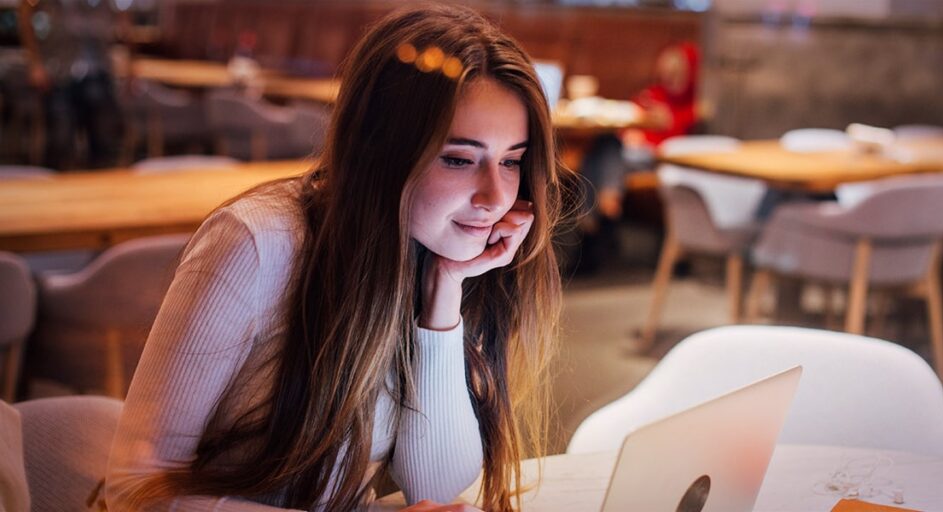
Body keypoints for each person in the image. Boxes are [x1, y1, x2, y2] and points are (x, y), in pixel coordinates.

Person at [102, 5, 571, 511]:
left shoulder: (432, 250)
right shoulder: (257, 245)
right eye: (458, 159)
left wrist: (445, 294)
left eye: (512, 162)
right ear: (377, 151)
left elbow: (435, 488)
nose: (495, 197)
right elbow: (134, 490)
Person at [575, 42, 700, 274]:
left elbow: (676, 137)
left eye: (677, 73)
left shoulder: (692, 105)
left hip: (658, 160)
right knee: (603, 147)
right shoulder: (653, 94)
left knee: (601, 152)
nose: (671, 77)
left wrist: (652, 135)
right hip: (630, 155)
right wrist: (633, 134)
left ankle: (589, 223)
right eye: (667, 71)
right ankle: (607, 200)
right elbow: (630, 116)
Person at [17, 0, 125, 169]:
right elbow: (25, 9)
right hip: (59, 71)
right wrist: (35, 62)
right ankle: (57, 191)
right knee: (61, 141)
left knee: (105, 142)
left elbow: (123, 14)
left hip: (98, 71)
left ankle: (102, 190)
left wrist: (127, 61)